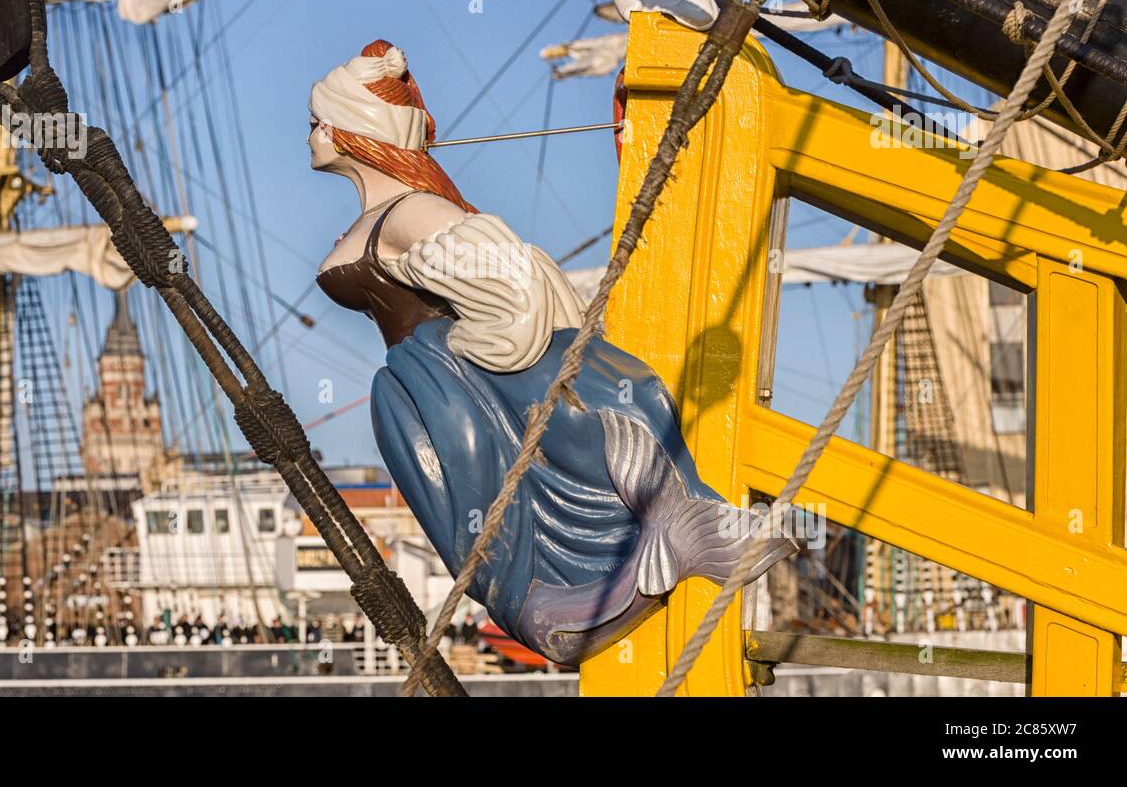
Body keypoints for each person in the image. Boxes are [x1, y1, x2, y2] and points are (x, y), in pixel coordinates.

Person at [308, 41, 797, 666]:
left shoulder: (411, 212)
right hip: (419, 388)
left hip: (444, 379)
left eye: (322, 121)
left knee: (481, 499)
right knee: (466, 501)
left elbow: (513, 277)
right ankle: (567, 586)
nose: (314, 134)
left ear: (357, 130)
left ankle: (579, 580)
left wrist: (467, 343)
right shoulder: (384, 213)